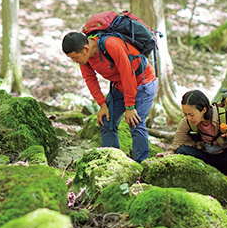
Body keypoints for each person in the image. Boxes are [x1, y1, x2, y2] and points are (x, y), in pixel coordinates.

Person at [62, 30, 158, 162]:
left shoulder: (112, 45)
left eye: (75, 57)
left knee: (135, 122)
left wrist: (130, 106)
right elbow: (90, 79)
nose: (74, 61)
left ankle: (141, 166)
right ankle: (112, 162)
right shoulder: (85, 59)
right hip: (120, 87)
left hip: (143, 82)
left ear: (85, 48)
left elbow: (127, 74)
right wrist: (102, 104)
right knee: (105, 120)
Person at [168, 89, 227, 187]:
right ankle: (193, 182)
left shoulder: (224, 116)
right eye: (186, 114)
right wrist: (168, 154)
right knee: (181, 150)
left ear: (204, 110)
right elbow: (177, 143)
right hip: (206, 159)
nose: (189, 118)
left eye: (192, 114)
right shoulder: (186, 123)